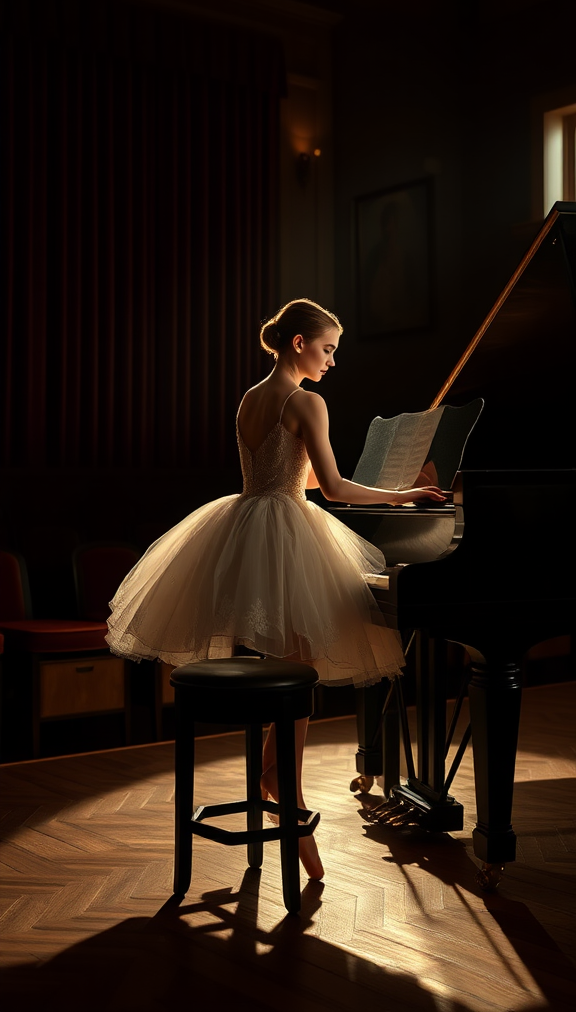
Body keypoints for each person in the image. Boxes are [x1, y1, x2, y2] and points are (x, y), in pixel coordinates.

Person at [106, 298, 448, 880]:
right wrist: (403, 496)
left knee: (292, 658)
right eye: (328, 348)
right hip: (286, 530)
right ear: (299, 344)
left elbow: (290, 471)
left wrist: (377, 483)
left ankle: (276, 777)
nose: (332, 361)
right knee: (302, 662)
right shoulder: (307, 400)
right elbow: (333, 489)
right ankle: (281, 783)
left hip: (243, 523)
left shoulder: (250, 398)